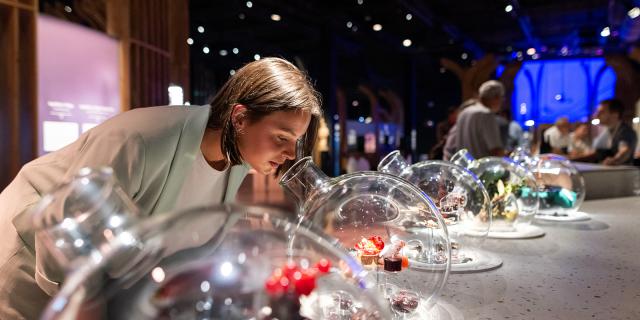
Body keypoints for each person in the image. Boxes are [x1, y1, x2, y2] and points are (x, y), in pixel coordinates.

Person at [0, 57, 323, 318]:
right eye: (282, 138)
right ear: (239, 118)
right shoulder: (140, 139)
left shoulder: (235, 161)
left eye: (295, 142)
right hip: (30, 264)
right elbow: (71, 226)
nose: (290, 155)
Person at [446, 80, 506, 159]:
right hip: (481, 168)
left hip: (463, 168)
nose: (501, 103)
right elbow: (495, 150)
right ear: (496, 97)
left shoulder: (464, 112)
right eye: (501, 99)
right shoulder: (486, 114)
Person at [592, 99, 637, 165]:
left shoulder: (625, 131)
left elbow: (625, 150)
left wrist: (614, 160)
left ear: (615, 114)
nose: (597, 115)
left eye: (602, 112)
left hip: (621, 173)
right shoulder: (608, 130)